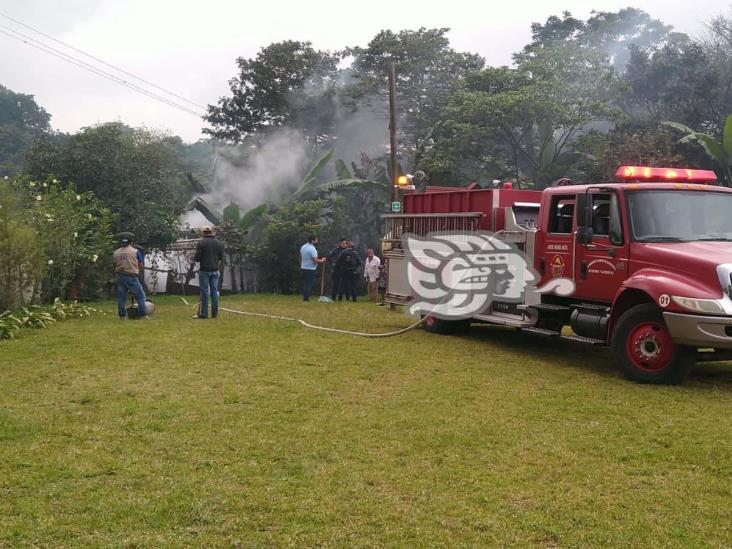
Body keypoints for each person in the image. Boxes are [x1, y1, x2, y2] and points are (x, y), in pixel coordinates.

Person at [113, 233, 148, 320]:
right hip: (131, 277)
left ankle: (122, 316)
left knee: (122, 297)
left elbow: (115, 262)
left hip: (120, 277)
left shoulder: (116, 252)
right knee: (140, 296)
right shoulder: (135, 251)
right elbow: (140, 264)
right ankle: (143, 314)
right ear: (131, 242)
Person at [193, 225, 224, 319]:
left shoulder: (201, 243)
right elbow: (221, 257)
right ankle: (214, 314)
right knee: (214, 292)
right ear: (211, 232)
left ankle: (204, 314)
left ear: (203, 233)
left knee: (204, 292)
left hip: (204, 271)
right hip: (215, 271)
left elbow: (197, 258)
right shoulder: (218, 242)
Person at [300, 235, 325, 301]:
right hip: (310, 269)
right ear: (312, 241)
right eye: (316, 240)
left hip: (303, 267)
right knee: (309, 284)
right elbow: (315, 260)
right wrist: (322, 260)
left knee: (305, 283)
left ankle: (305, 297)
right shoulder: (312, 249)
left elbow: (300, 257)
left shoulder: (303, 246)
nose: (317, 241)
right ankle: (306, 299)